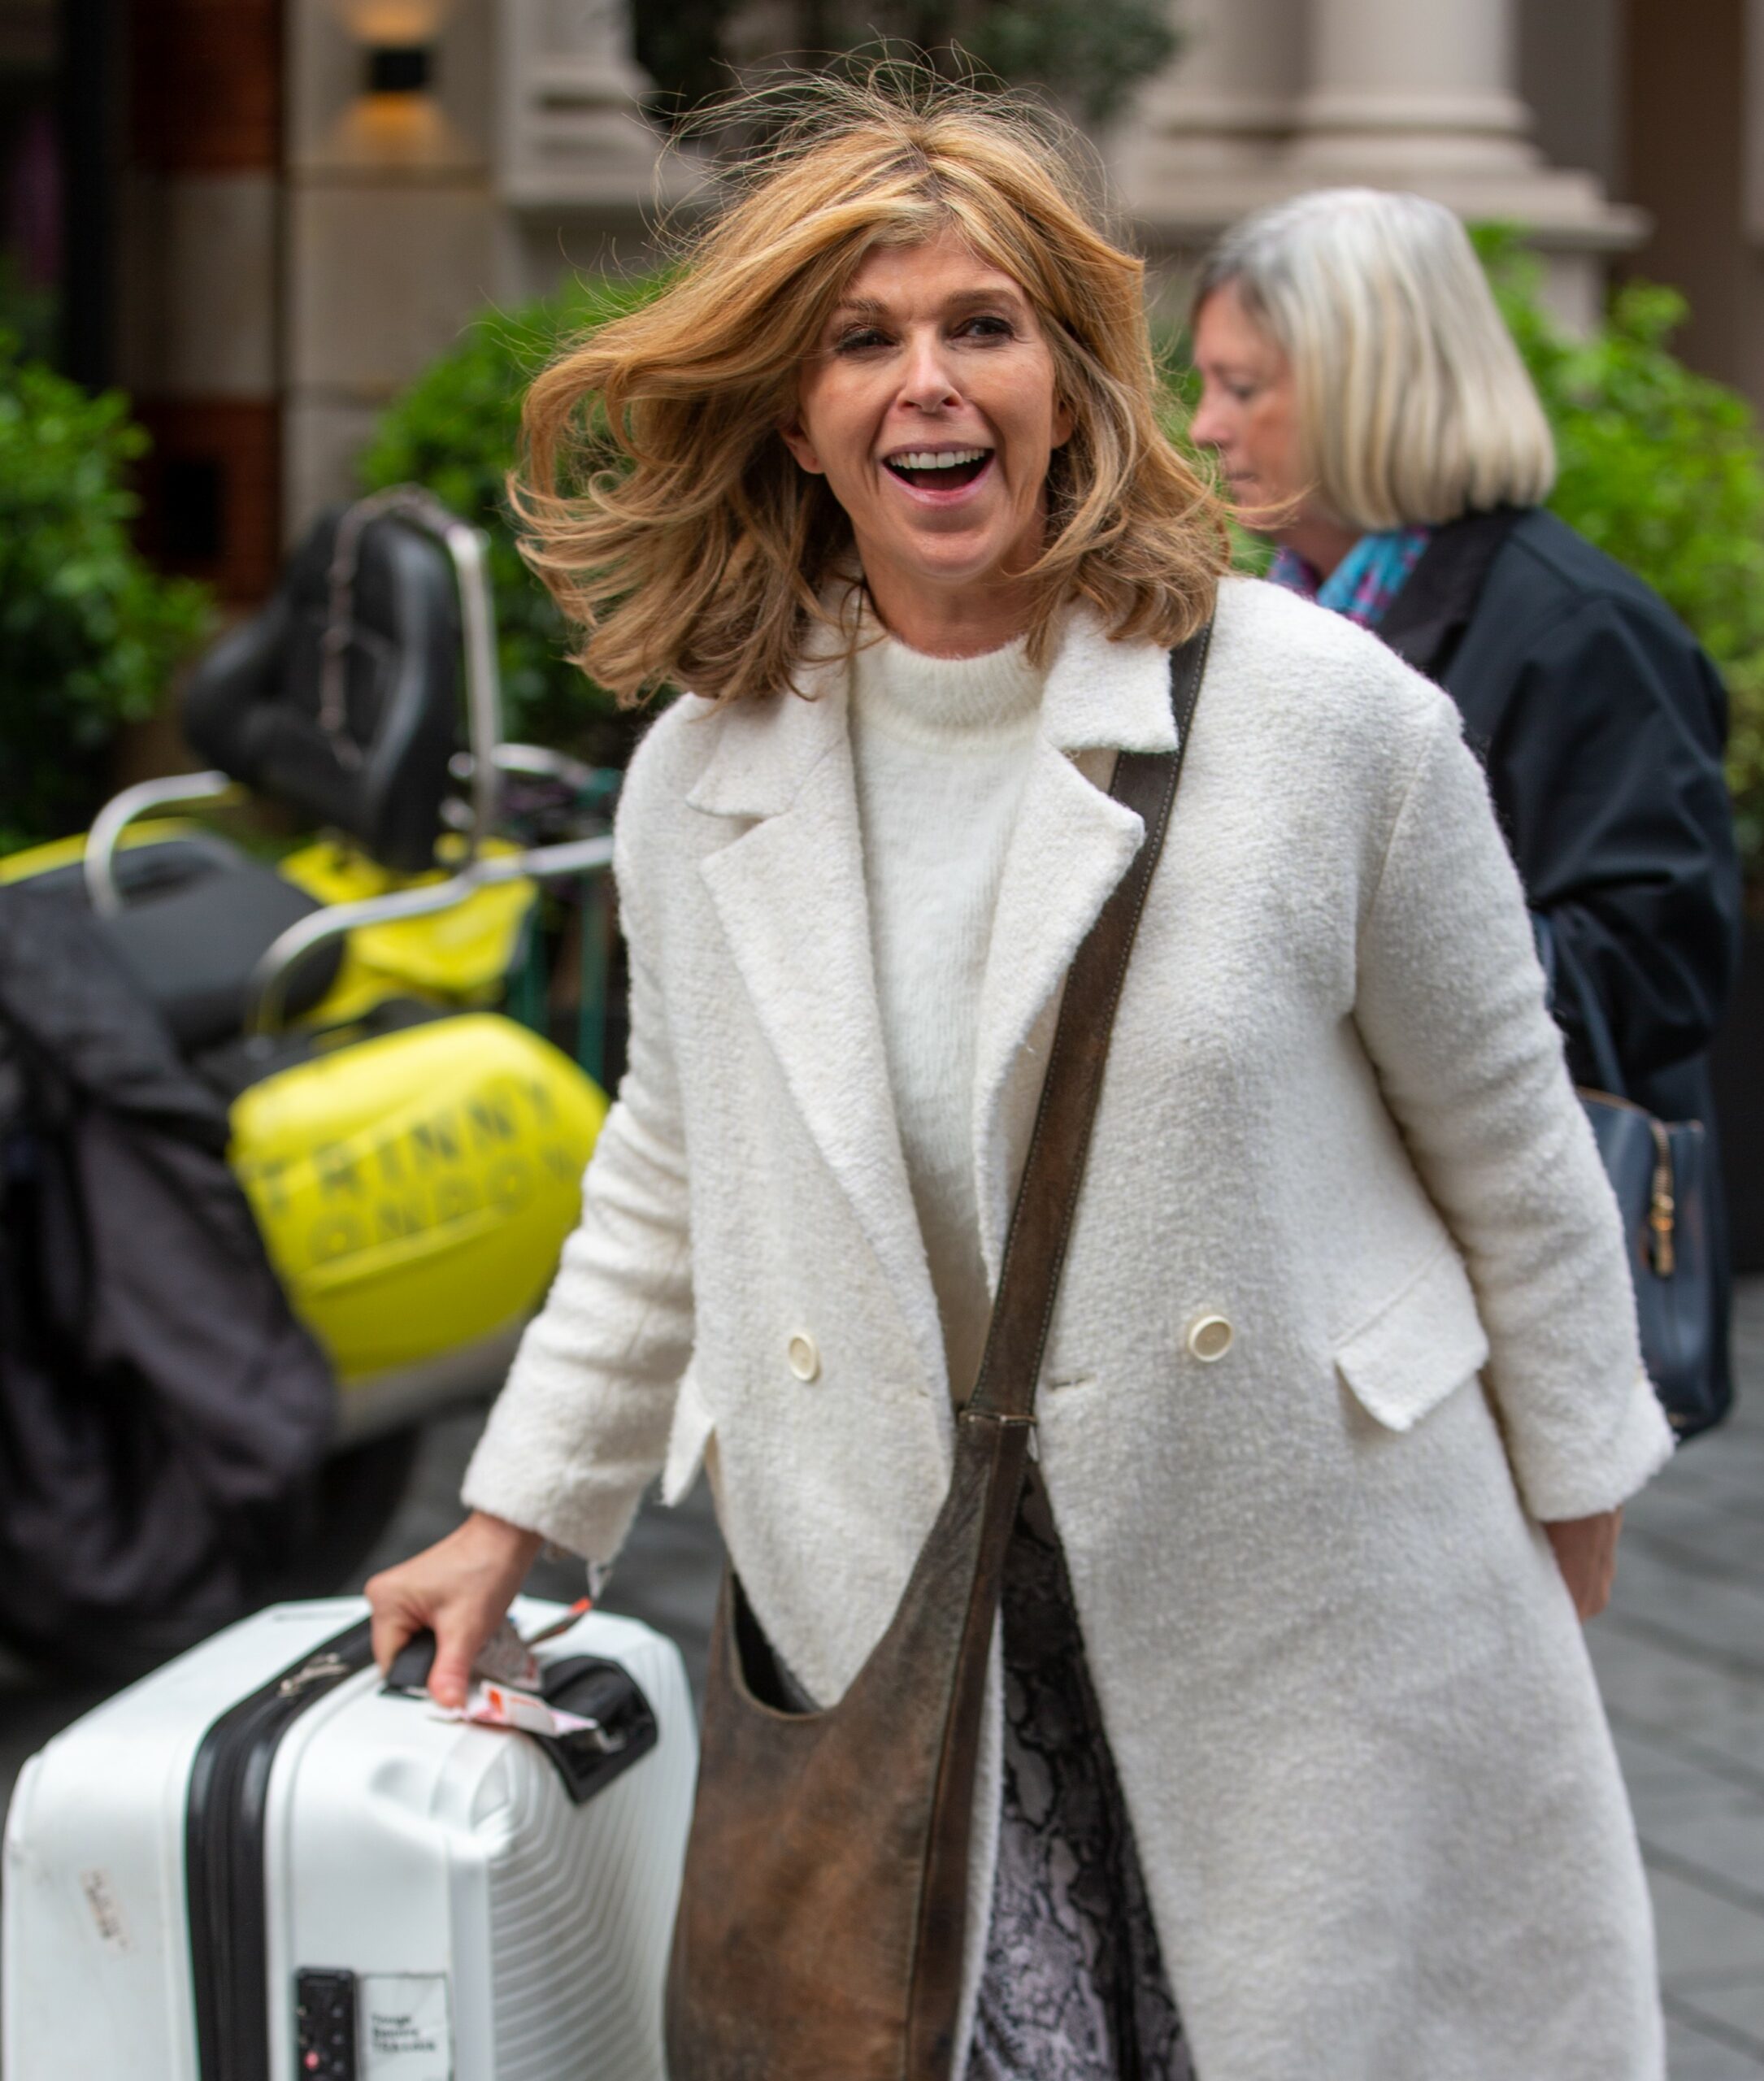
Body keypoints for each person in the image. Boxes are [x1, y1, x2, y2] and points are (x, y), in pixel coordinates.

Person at [367, 82, 1675, 2079]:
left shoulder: (1324, 719)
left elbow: (1504, 1123)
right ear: (791, 412)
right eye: (860, 339)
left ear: (1072, 377)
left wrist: (1566, 1482)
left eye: (979, 325)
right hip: (907, 1604)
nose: (926, 384)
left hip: (1292, 1569)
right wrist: (515, 1511)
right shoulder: (702, 773)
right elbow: (670, 1160)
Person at [1189, 187, 1743, 1429]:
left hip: (1497, 1293)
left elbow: (1653, 984)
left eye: (1242, 386)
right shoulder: (1283, 615)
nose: (1203, 425)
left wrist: (1347, 928)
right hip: (1326, 1263)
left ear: (1361, 384)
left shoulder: (1580, 631)